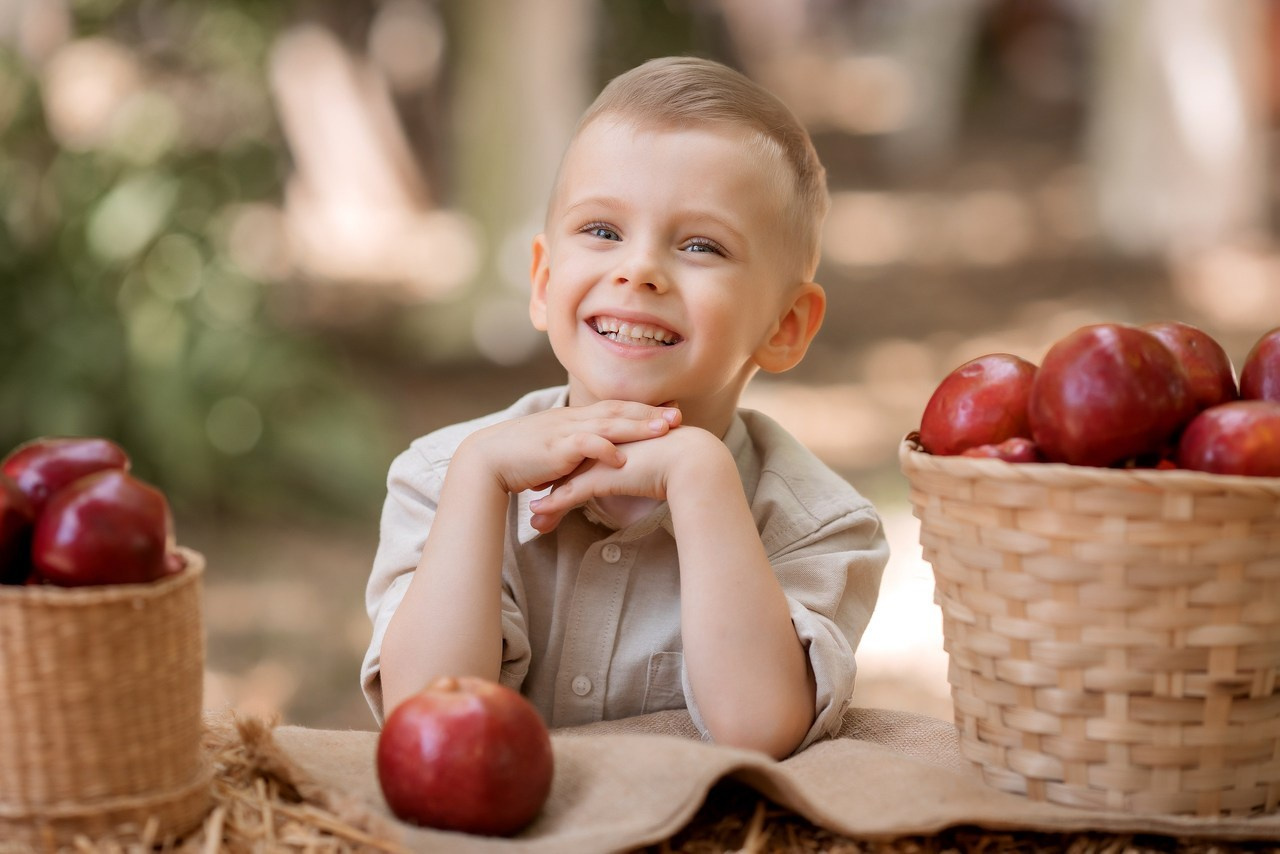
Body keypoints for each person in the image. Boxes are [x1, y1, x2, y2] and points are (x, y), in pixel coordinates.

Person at [362, 56, 888, 759]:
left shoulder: (820, 524)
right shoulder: (441, 478)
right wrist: (480, 479)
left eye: (701, 245)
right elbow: (427, 722)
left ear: (784, 327)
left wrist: (700, 476)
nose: (637, 269)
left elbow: (761, 729)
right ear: (545, 283)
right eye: (603, 231)